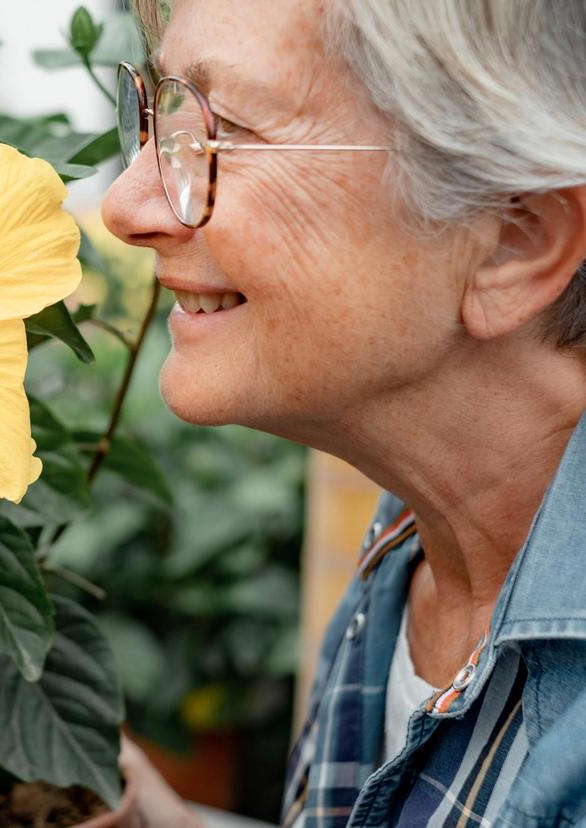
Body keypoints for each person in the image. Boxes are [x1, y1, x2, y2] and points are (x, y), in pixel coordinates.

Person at [101, 1, 586, 825]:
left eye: (229, 134)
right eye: (164, 111)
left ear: (511, 238)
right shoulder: (420, 536)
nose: (126, 204)